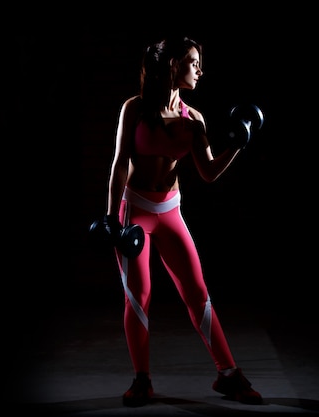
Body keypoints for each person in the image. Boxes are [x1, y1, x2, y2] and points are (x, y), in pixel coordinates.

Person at [100, 35, 263, 407]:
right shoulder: (135, 108)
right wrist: (112, 219)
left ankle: (228, 374)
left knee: (198, 293)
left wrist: (236, 144)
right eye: (193, 62)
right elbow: (120, 163)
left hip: (170, 210)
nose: (200, 70)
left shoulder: (195, 120)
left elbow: (207, 172)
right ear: (172, 65)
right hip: (135, 211)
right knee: (138, 297)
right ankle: (142, 380)